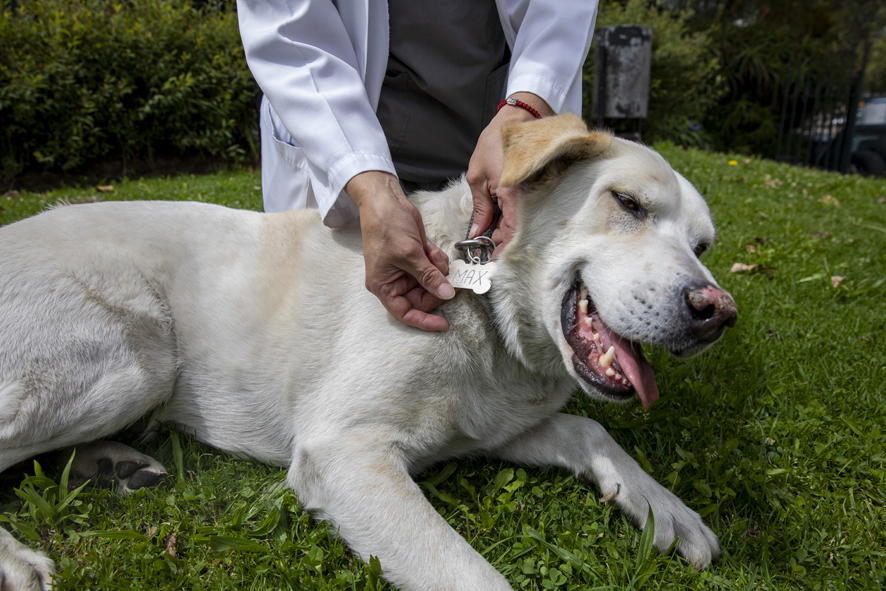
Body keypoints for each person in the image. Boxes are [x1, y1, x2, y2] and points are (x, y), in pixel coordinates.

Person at [237, 0, 599, 331]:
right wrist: (372, 190)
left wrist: (524, 112)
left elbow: (561, 9)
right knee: (320, 330)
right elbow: (289, 33)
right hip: (341, 126)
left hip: (485, 123)